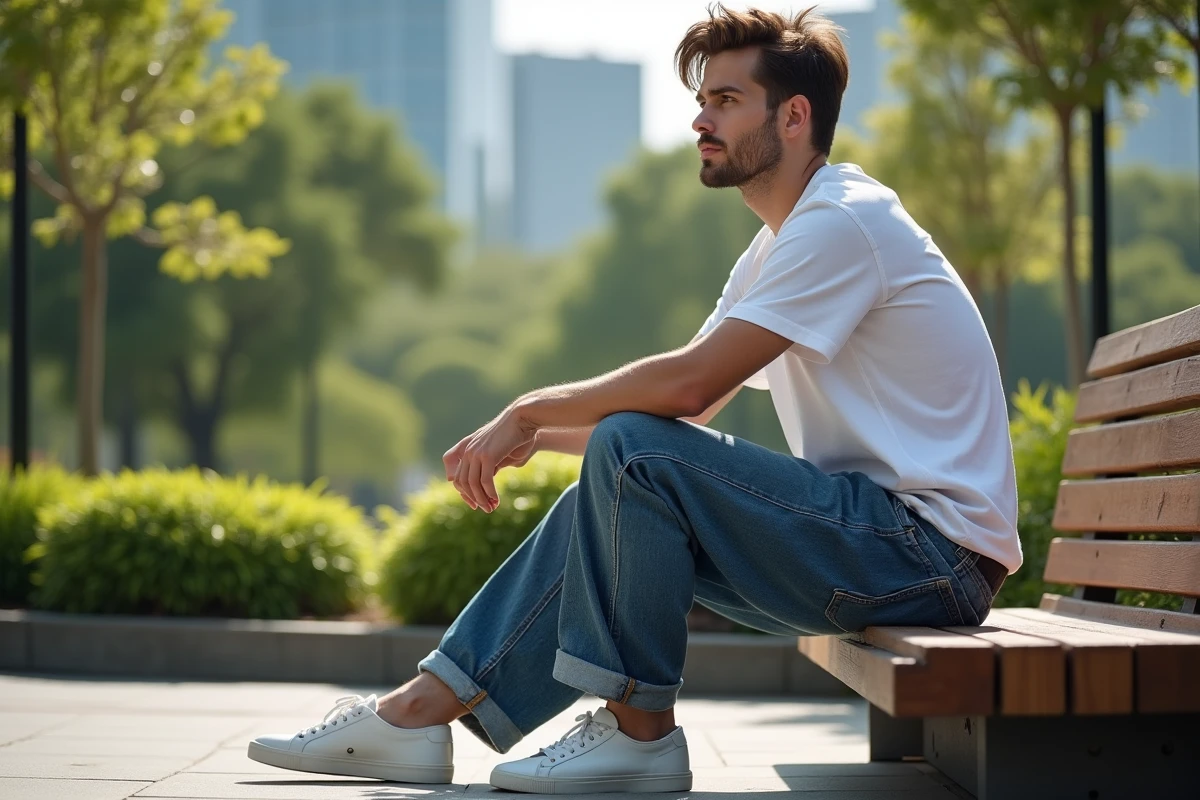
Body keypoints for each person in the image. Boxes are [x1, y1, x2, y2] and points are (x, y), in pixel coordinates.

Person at [247, 3, 1020, 794]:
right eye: (702, 100)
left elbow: (686, 387)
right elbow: (677, 418)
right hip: (877, 541)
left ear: (794, 117)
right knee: (614, 479)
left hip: (929, 556)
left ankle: (639, 731)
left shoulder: (844, 223)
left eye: (725, 100)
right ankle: (415, 715)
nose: (699, 119)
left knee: (632, 455)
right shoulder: (776, 248)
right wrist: (537, 442)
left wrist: (530, 409)